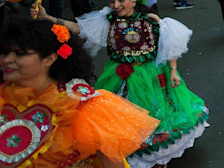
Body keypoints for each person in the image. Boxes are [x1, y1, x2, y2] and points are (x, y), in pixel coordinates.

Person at [32, 0, 209, 168]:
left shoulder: (150, 20)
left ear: (133, 1)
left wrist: (173, 71)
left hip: (148, 75)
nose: (116, 5)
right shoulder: (109, 21)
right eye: (112, 1)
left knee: (153, 115)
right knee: (116, 117)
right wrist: (48, 18)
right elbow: (79, 28)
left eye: (120, 0)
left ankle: (158, 157)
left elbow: (167, 47)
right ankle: (126, 155)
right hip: (117, 75)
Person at [0, 18, 159, 167]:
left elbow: (111, 162)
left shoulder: (81, 105)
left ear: (49, 59)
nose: (7, 60)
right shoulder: (4, 97)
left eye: (20, 54)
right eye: (5, 52)